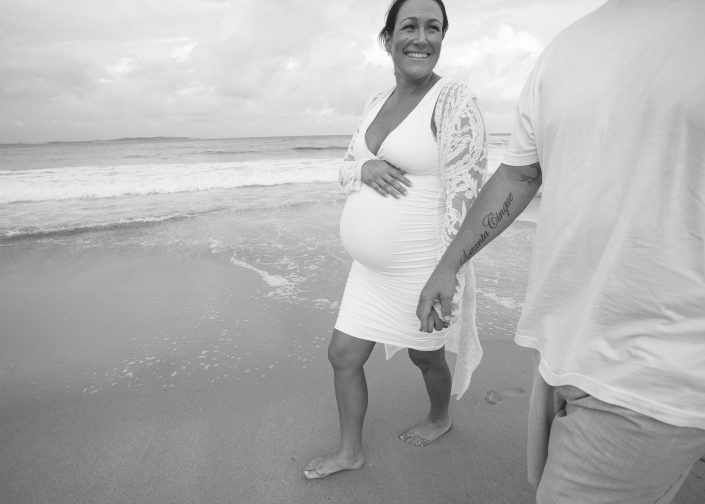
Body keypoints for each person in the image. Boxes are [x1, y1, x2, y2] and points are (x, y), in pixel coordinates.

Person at [417, 0, 705, 501]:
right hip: (562, 345)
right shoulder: (565, 46)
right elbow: (519, 173)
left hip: (658, 363)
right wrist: (449, 265)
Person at [304, 0, 487, 480]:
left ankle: (440, 417)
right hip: (368, 273)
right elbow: (345, 166)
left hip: (423, 266)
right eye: (409, 26)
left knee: (425, 355)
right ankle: (350, 452)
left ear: (442, 38)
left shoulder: (454, 101)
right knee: (342, 355)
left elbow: (468, 196)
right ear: (388, 39)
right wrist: (363, 166)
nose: (421, 38)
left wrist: (448, 273)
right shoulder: (374, 102)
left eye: (433, 27)